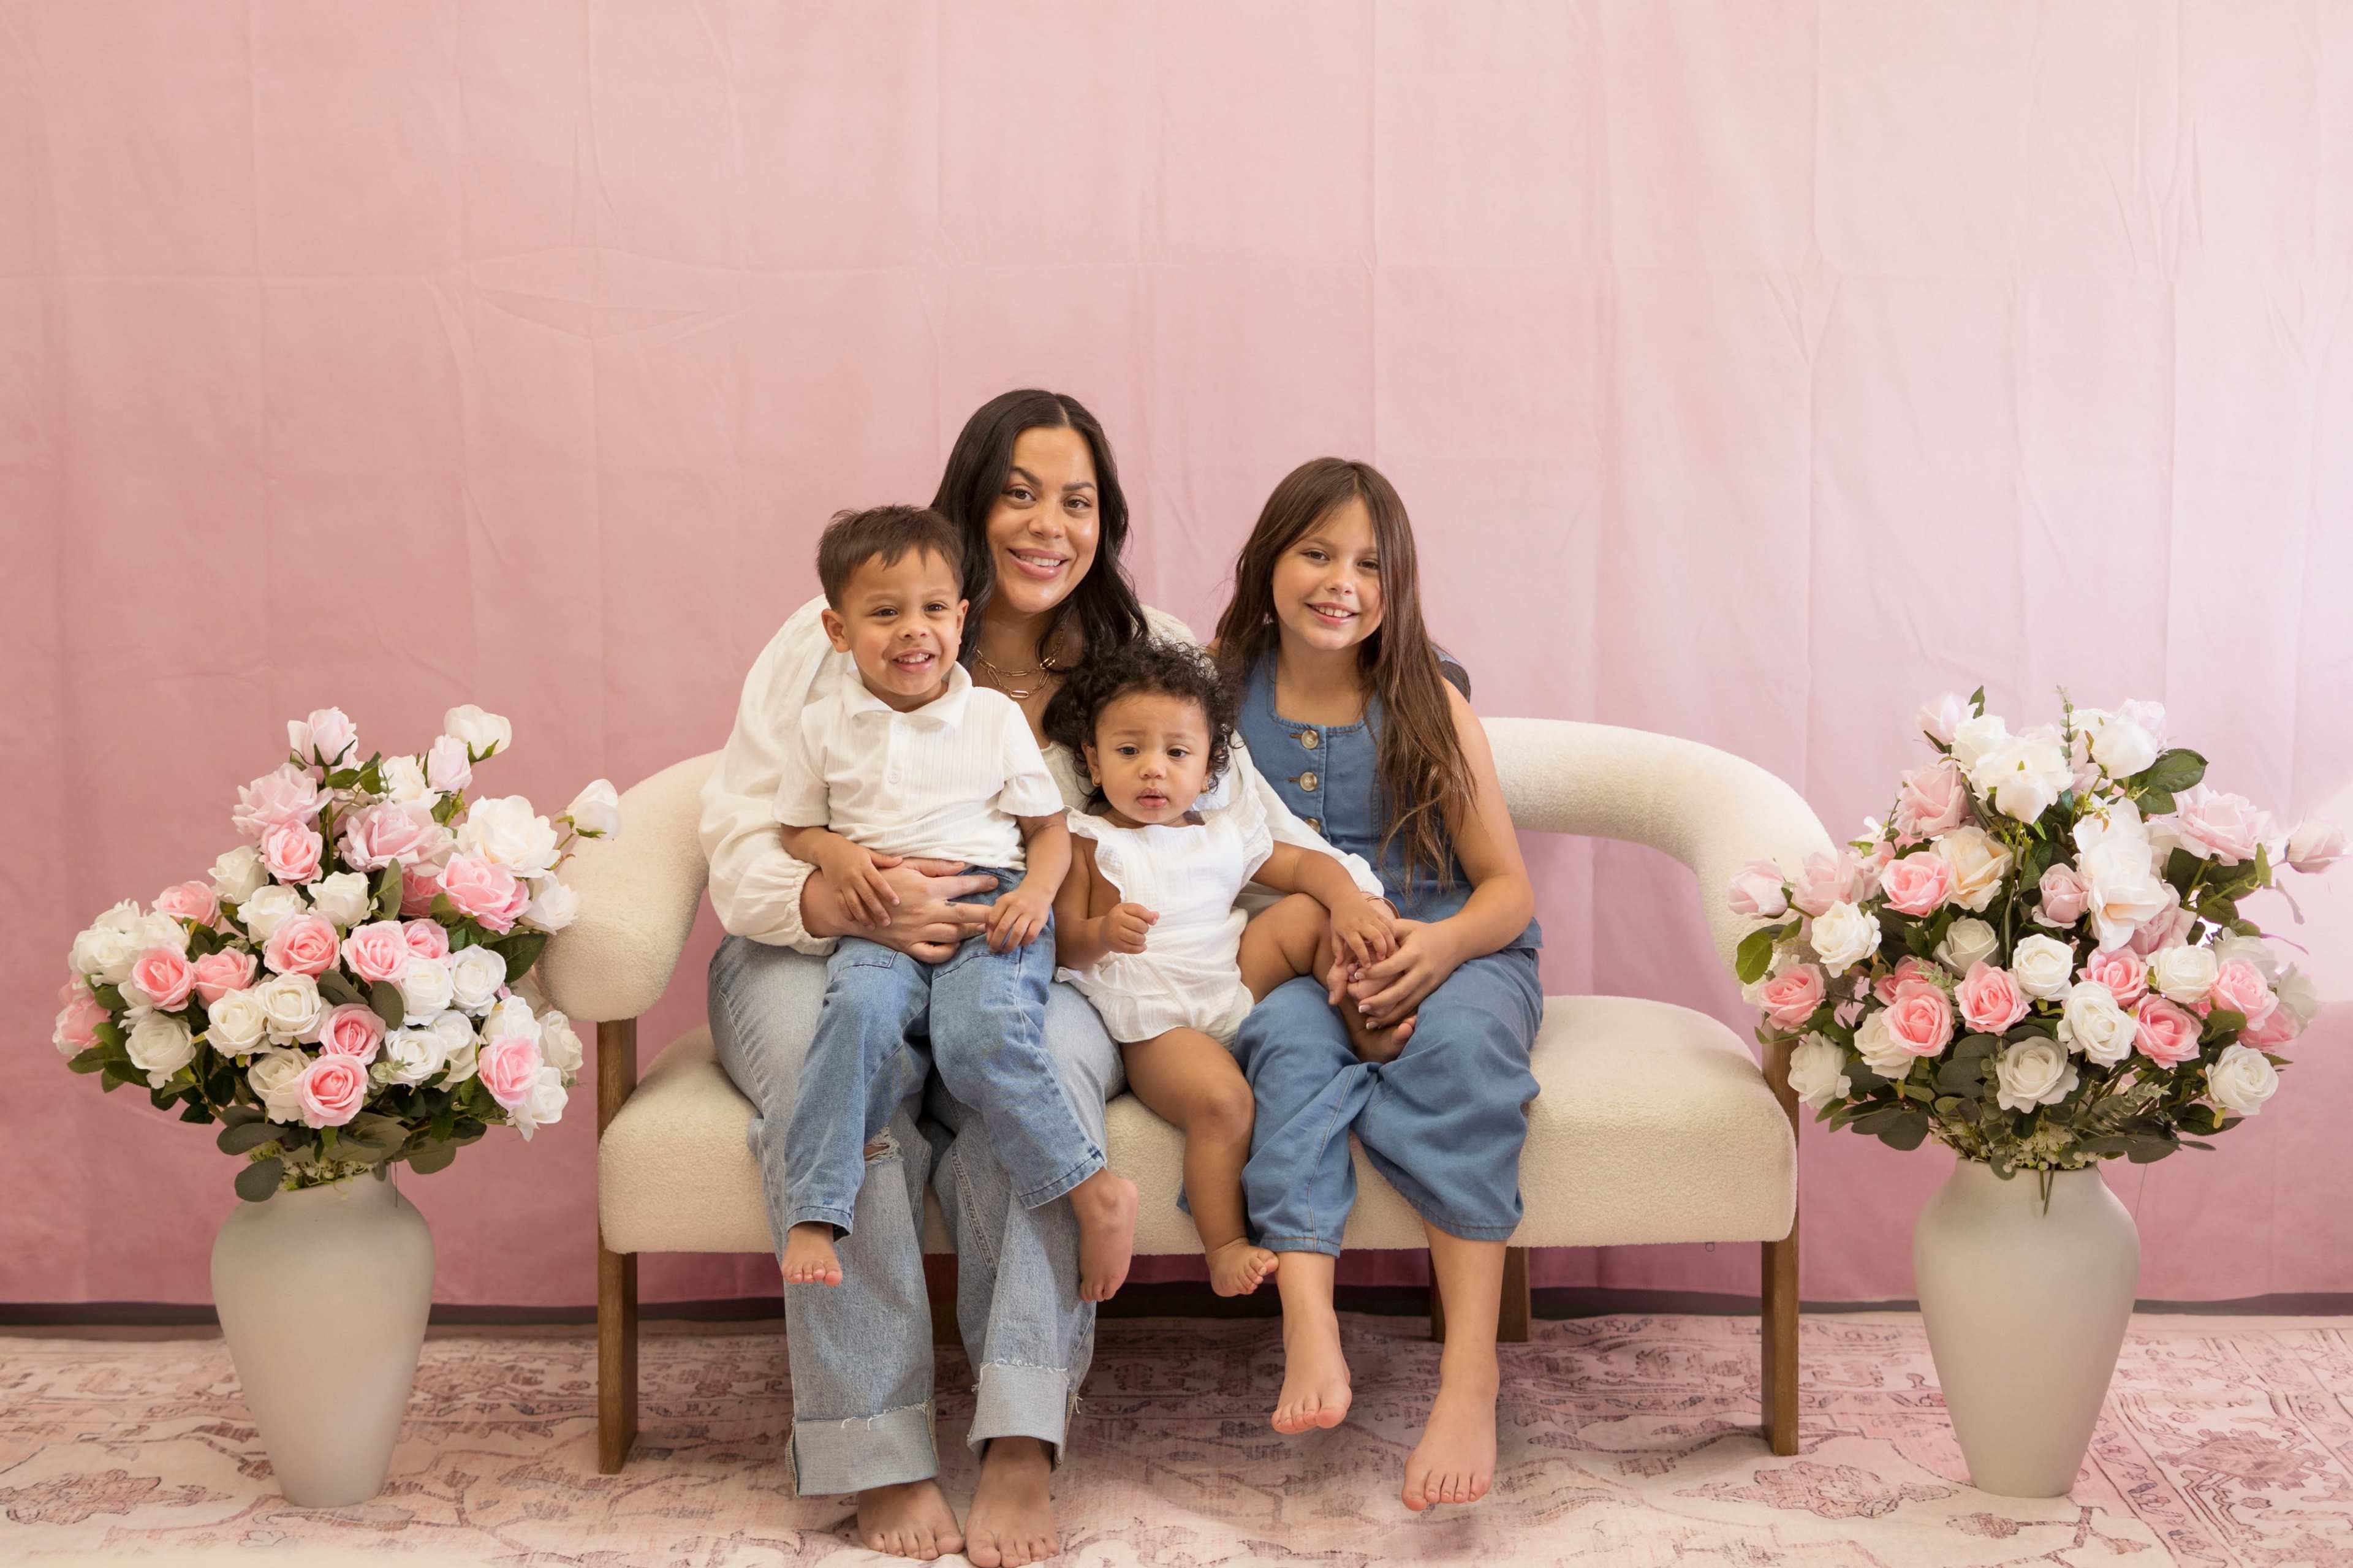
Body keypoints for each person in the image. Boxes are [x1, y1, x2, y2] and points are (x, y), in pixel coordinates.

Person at [699, 390, 1387, 1566]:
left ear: (1104, 522)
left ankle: (1020, 1430)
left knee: (1039, 1095)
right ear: (970, 502)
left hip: (1025, 957)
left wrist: (1346, 896)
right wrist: (842, 897)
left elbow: (1249, 816)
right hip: (812, 946)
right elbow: (740, 840)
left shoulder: (1139, 647)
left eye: (1077, 501)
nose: (1046, 524)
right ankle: (878, 1443)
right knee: (848, 1095)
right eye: (1019, 491)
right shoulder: (856, 619)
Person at [1214, 456, 1542, 1513]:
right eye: (1316, 552)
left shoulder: (1427, 702)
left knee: (1461, 1057)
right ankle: (1309, 1319)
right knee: (1293, 1050)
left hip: (1456, 943)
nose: (1340, 581)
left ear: (1396, 586)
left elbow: (1507, 892)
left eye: (1368, 563)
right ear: (1269, 561)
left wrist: (1435, 954)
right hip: (1299, 944)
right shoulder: (1217, 694)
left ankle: (1470, 1374)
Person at [771, 504, 1135, 1301]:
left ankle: (1092, 1185)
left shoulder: (992, 716)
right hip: (879, 906)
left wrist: (1037, 895)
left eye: (934, 609)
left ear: (961, 615)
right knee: (857, 1014)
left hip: (992, 900)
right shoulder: (824, 724)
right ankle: (816, 1205)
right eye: (885, 612)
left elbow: (1050, 831)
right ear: (838, 629)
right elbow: (797, 827)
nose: (915, 631)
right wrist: (837, 854)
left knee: (979, 1038)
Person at [1040, 640, 1401, 1298]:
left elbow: (1304, 867)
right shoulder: (1088, 841)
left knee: (1305, 915)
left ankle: (1365, 1020)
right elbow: (1062, 945)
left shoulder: (1223, 831)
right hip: (1156, 1022)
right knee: (1224, 1102)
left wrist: (1349, 898)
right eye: (1128, 751)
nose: (1153, 771)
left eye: (1176, 753)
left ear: (1208, 767)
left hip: (1230, 982)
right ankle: (1225, 1243)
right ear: (1092, 758)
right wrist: (1102, 933)